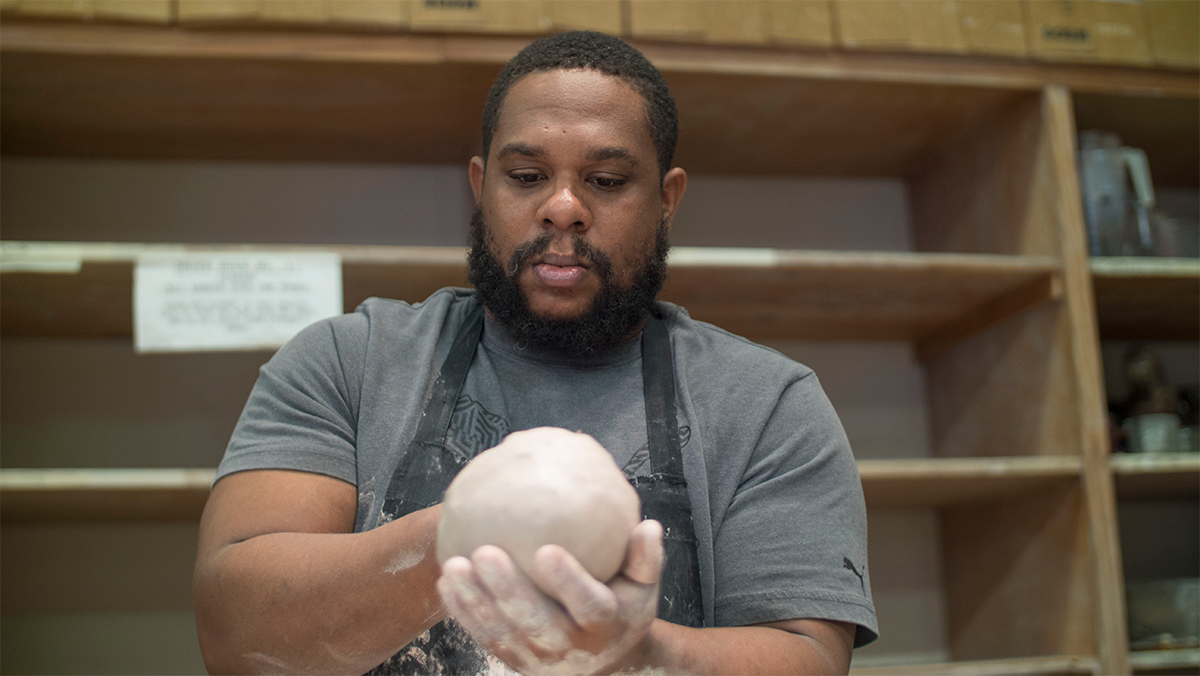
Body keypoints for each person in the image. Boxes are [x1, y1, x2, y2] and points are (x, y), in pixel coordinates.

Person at [194, 30, 877, 676]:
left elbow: (809, 658)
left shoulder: (765, 404)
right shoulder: (349, 364)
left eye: (606, 181)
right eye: (525, 175)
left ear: (667, 200)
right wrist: (467, 533)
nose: (562, 207)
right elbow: (237, 634)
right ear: (479, 185)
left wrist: (640, 654)